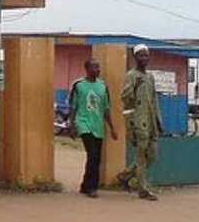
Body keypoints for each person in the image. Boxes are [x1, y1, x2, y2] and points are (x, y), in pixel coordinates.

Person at [117, 44, 163, 201]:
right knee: (141, 156)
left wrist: (158, 120)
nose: (144, 58)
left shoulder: (150, 77)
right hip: (138, 120)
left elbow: (154, 99)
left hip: (151, 121)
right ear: (135, 57)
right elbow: (125, 98)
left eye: (146, 55)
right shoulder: (131, 76)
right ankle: (143, 189)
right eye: (141, 55)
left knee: (152, 155)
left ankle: (125, 175)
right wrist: (133, 88)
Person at [67, 58, 115, 198]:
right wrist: (72, 125)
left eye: (98, 67)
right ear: (87, 69)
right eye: (94, 67)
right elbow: (73, 106)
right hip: (83, 123)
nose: (97, 70)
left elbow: (106, 109)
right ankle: (91, 187)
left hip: (98, 125)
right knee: (92, 154)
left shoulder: (103, 86)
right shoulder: (79, 85)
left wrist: (111, 128)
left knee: (96, 158)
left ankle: (85, 185)